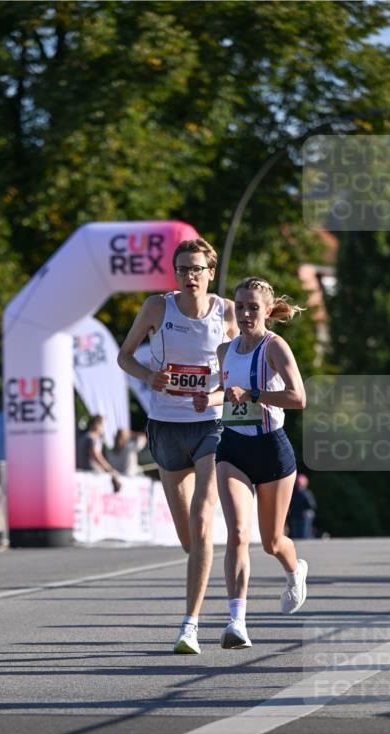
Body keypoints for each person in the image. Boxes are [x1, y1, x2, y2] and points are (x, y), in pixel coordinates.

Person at [117, 237, 239, 654]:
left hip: (209, 424)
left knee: (203, 521)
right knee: (189, 539)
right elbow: (125, 357)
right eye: (182, 269)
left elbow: (236, 371)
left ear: (210, 272)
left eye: (196, 269)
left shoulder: (225, 312)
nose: (189, 276)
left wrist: (219, 395)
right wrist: (147, 377)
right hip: (165, 426)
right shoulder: (157, 308)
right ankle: (201, 572)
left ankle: (190, 625)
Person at [206, 276, 308, 649]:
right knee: (236, 534)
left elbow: (299, 398)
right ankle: (237, 622)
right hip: (233, 447)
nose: (246, 314)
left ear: (267, 311)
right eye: (241, 306)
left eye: (253, 307)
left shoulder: (275, 347)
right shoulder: (224, 350)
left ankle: (295, 571)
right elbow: (226, 394)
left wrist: (253, 393)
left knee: (271, 541)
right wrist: (209, 400)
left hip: (271, 451)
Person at [77, 415, 121, 491]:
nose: (102, 428)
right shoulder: (93, 438)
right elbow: (96, 455)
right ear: (96, 425)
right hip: (92, 475)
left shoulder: (82, 437)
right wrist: (110, 469)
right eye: (102, 425)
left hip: (81, 474)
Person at [288, 473, 317, 539]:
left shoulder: (290, 493)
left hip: (293, 515)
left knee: (295, 535)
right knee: (304, 535)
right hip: (304, 516)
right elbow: (312, 505)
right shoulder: (306, 493)